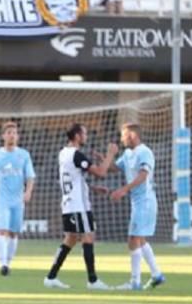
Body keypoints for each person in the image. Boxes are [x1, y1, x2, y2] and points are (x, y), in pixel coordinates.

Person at [44, 122, 115, 290]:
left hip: (69, 204)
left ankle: (51, 277)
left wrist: (90, 188)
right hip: (78, 206)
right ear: (77, 136)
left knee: (71, 239)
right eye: (84, 133)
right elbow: (101, 173)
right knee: (88, 237)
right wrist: (110, 154)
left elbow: (73, 178)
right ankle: (92, 280)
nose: (86, 136)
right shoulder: (76, 155)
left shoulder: (63, 153)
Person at [108, 124, 165, 290]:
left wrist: (123, 190)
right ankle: (157, 275)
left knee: (133, 240)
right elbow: (114, 168)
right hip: (137, 202)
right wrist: (106, 157)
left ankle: (135, 282)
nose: (121, 139)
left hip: (145, 201)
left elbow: (143, 175)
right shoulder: (127, 154)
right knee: (140, 240)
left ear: (132, 135)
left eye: (123, 135)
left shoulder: (144, 152)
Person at [0, 122, 35, 276]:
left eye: (14, 133)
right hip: (1, 201)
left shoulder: (24, 155)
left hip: (18, 201)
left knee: (14, 233)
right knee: (1, 231)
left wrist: (28, 192)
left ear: (18, 136)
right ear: (3, 136)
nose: (12, 135)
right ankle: (2, 264)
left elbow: (30, 177)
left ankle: (8, 263)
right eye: (9, 132)